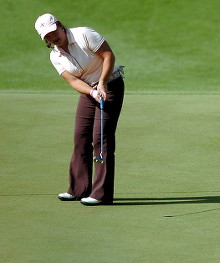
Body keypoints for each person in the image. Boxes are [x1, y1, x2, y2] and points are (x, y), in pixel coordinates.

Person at [34, 13, 125, 206]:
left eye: (53, 31)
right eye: (47, 36)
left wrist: (102, 83)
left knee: (101, 138)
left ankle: (101, 194)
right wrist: (92, 93)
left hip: (111, 84)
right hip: (89, 91)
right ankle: (78, 189)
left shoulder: (84, 34)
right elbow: (73, 81)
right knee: (80, 136)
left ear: (59, 25)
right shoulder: (55, 56)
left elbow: (108, 55)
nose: (52, 37)